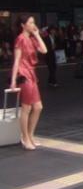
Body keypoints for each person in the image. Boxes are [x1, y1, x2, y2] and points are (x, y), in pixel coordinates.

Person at [10, 15, 48, 150]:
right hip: (23, 74)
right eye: (31, 22)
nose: (33, 25)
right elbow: (16, 61)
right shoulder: (20, 39)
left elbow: (44, 50)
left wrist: (37, 35)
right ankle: (25, 137)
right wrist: (13, 80)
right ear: (23, 25)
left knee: (38, 107)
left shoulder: (32, 39)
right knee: (27, 108)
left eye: (34, 22)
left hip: (31, 74)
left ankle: (30, 135)